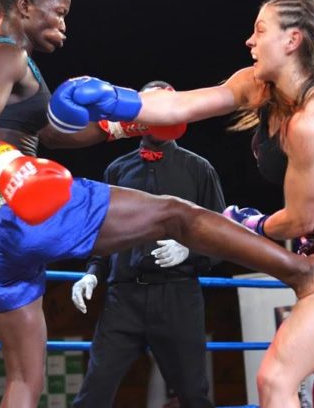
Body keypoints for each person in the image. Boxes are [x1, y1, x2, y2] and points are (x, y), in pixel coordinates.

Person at [0, 0, 314, 408]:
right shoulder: (9, 55)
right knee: (176, 214)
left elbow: (52, 135)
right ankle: (303, 274)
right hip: (17, 206)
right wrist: (10, 168)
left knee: (23, 379)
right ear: (24, 7)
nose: (63, 25)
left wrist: (121, 124)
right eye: (57, 12)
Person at [50, 0, 314, 407]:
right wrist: (115, 99)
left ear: (292, 40)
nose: (249, 41)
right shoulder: (257, 87)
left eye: (260, 30)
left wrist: (247, 223)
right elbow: (182, 105)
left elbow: (301, 221)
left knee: (275, 379)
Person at [71, 81, 224, 408]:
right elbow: (104, 232)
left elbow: (223, 237)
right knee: (92, 394)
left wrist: (190, 251)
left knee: (193, 396)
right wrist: (92, 272)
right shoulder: (117, 170)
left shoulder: (199, 169)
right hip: (123, 298)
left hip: (177, 295)